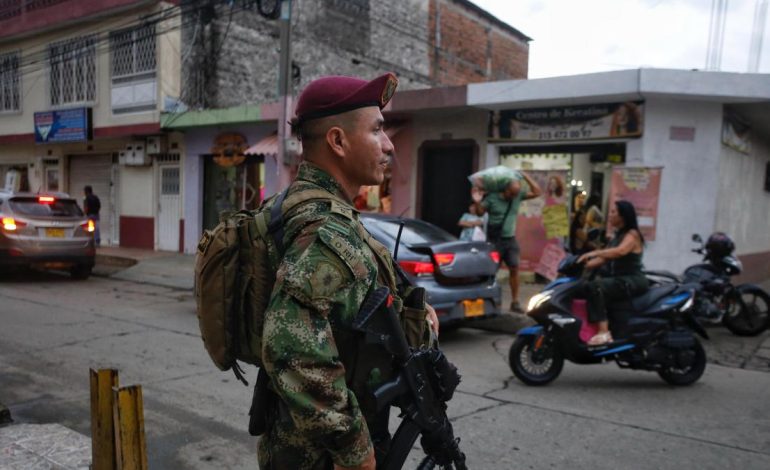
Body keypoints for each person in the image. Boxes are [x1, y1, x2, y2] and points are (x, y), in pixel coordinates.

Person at [259, 73, 439, 470]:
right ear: (338, 141)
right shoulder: (326, 229)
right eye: (377, 129)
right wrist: (353, 452)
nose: (389, 144)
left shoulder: (300, 205)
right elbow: (289, 345)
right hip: (318, 456)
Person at [577, 200, 649, 345]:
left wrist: (594, 252)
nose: (610, 215)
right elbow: (603, 259)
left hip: (632, 279)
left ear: (623, 216)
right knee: (584, 286)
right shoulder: (617, 236)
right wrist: (580, 264)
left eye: (613, 212)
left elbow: (620, 251)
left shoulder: (632, 234)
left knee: (596, 286)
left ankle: (604, 333)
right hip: (621, 279)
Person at [473, 172, 542, 312]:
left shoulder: (517, 196)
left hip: (510, 240)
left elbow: (537, 192)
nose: (514, 196)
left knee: (514, 269)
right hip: (494, 241)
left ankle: (515, 302)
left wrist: (526, 176)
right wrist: (477, 201)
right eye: (511, 193)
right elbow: (480, 213)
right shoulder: (492, 199)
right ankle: (487, 301)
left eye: (516, 193)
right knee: (490, 272)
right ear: (505, 190)